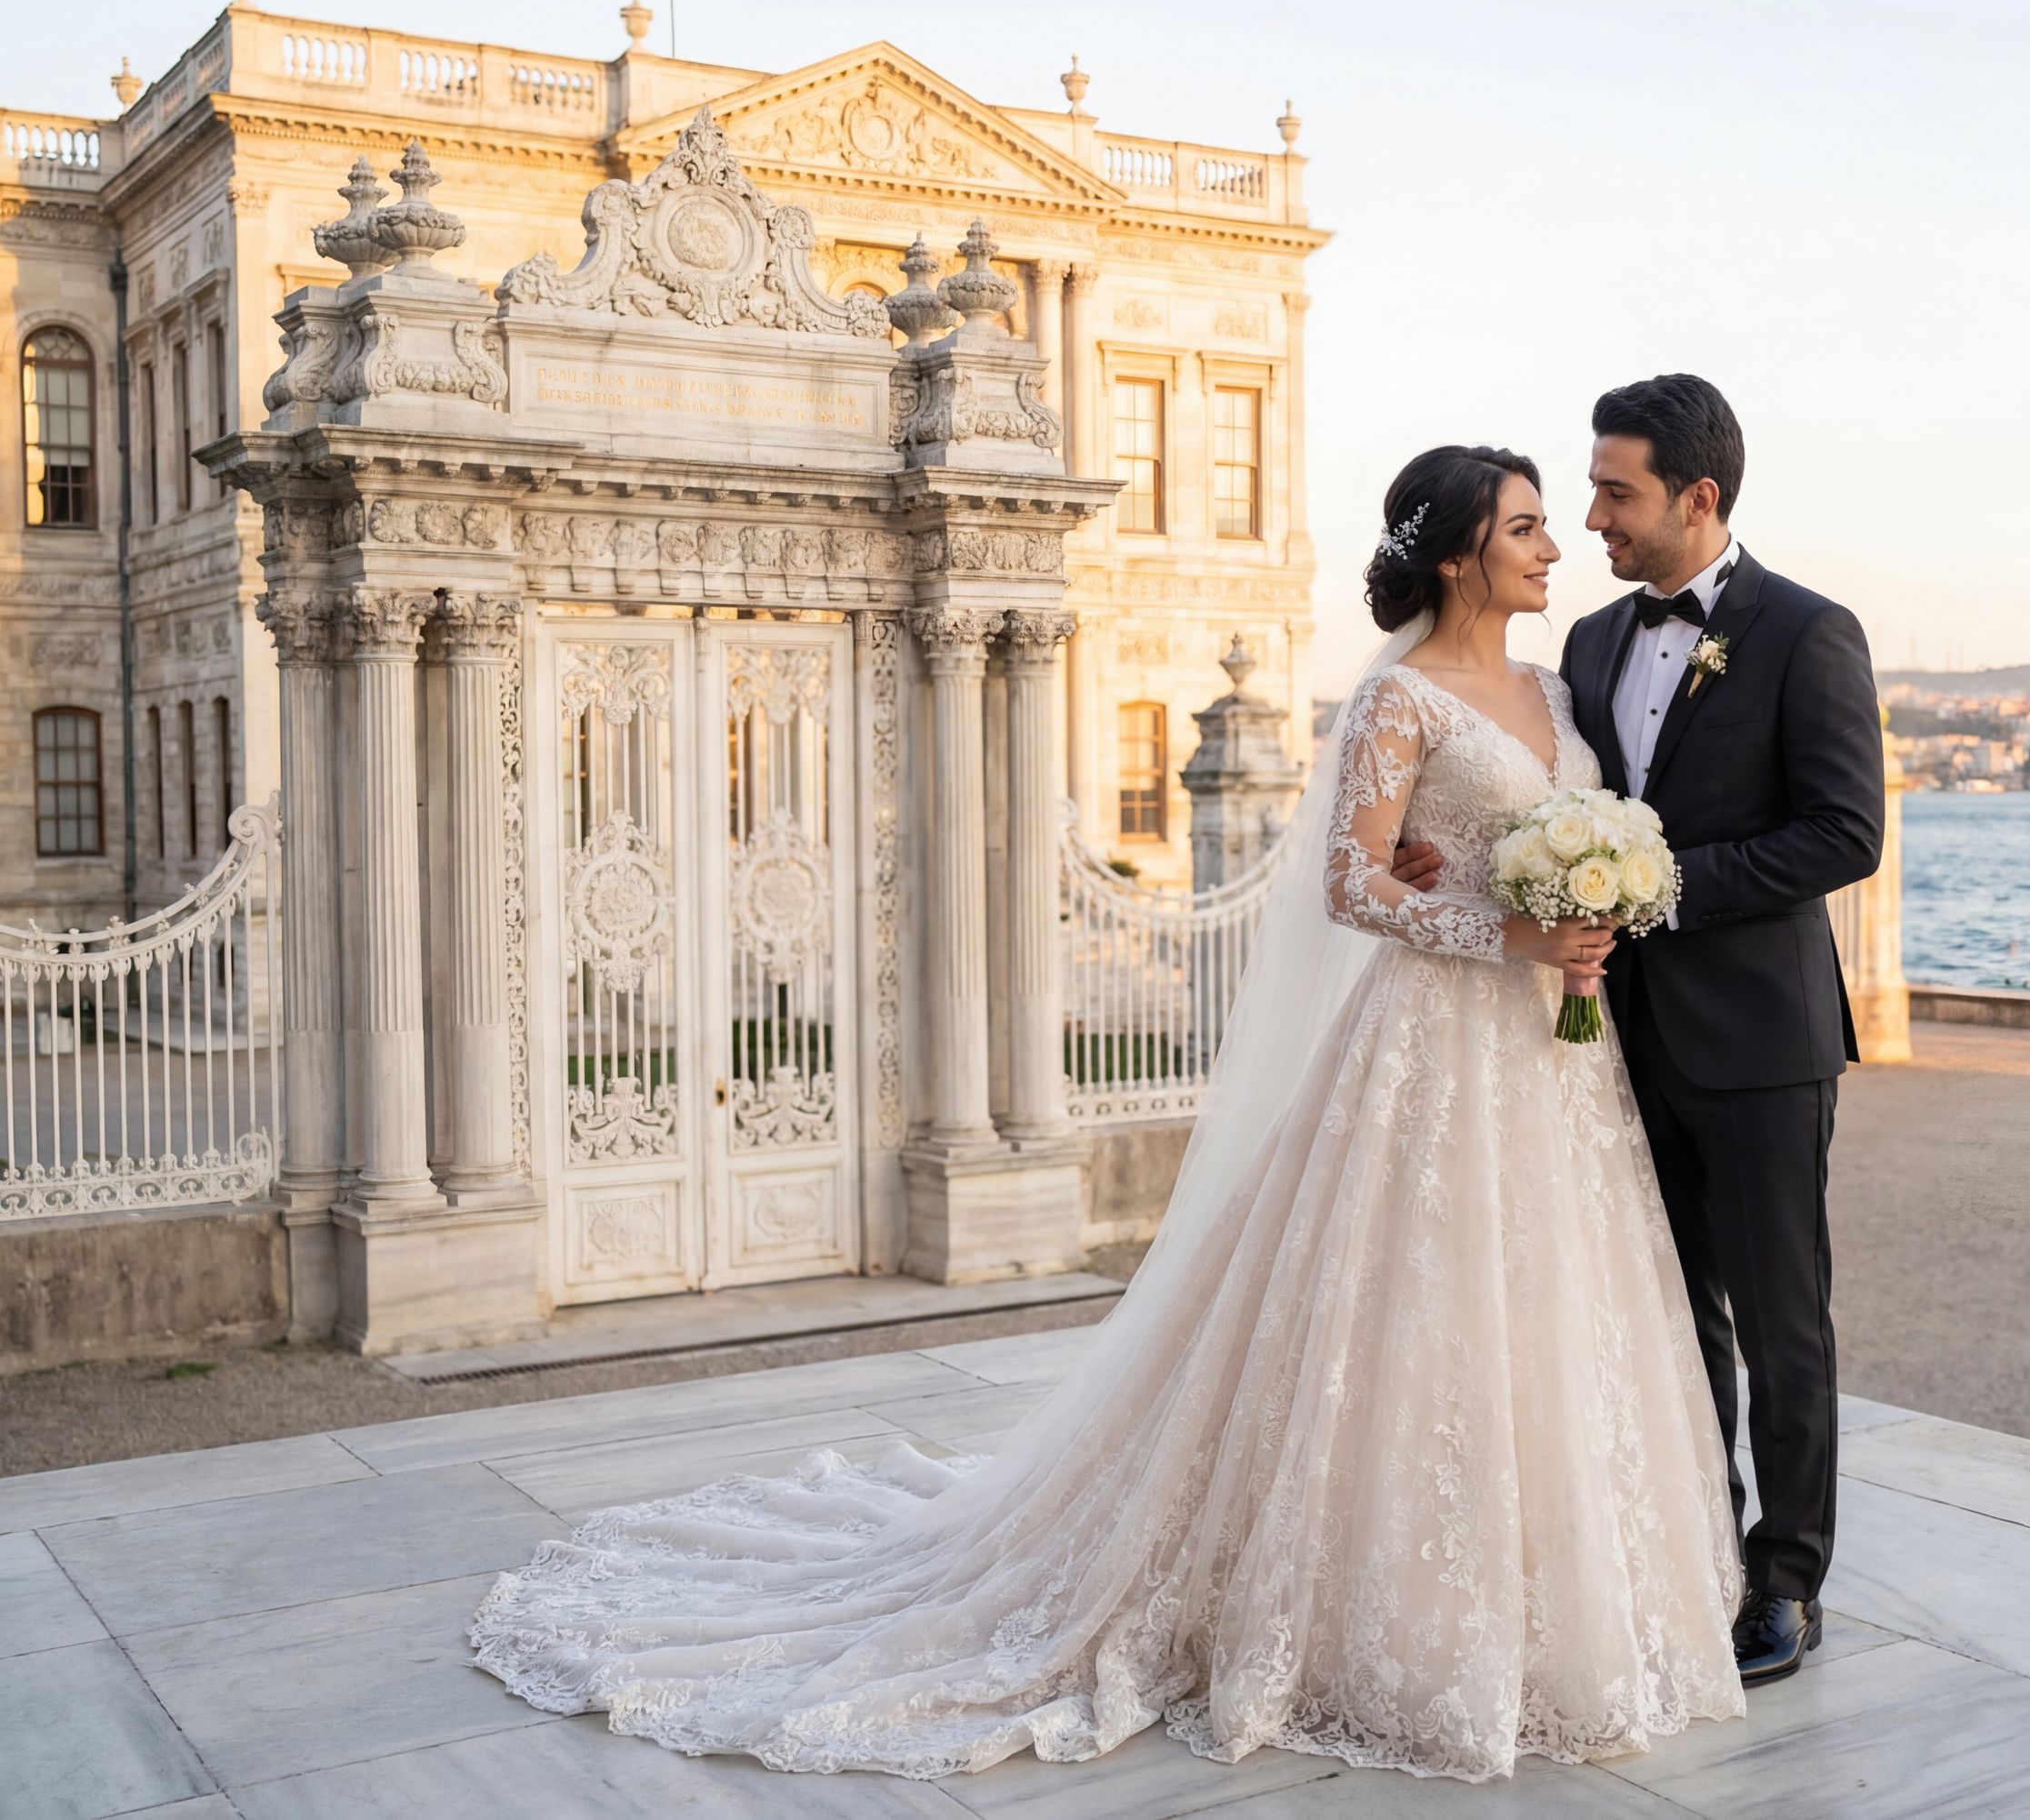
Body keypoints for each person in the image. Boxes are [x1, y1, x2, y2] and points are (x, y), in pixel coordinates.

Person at [469, 445, 1747, 1784]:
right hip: (1434, 1044)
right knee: (1419, 1310)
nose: (1553, 547)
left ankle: (1558, 1597)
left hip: (1551, 1054)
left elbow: (1516, 841)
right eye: (1527, 527)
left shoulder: (1556, 687)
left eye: (1550, 525)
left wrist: (1567, 909)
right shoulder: (1398, 697)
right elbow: (1351, 885)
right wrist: (1505, 932)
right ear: (1455, 555)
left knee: (1548, 1308)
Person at [1400, 373, 1885, 1685]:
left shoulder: (1809, 631)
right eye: (1591, 493)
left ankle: (1789, 1581)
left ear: (1698, 496)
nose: (1594, 520)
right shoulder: (1595, 645)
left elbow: (1846, 833)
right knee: (1669, 1312)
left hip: (1763, 1041)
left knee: (1783, 1320)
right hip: (1610, 1036)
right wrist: (1481, 872)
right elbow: (1546, 808)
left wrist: (1658, 883)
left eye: (1616, 494)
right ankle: (1702, 1554)